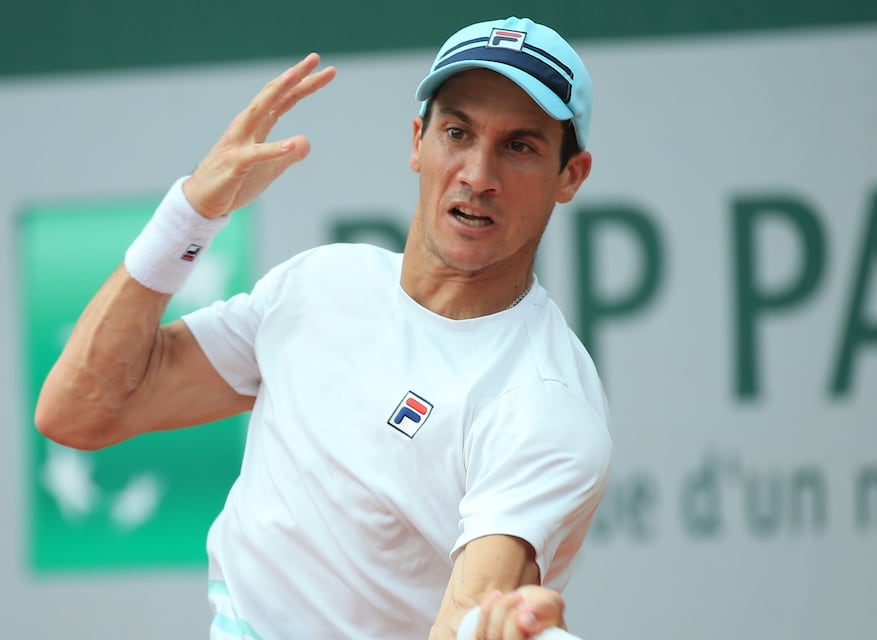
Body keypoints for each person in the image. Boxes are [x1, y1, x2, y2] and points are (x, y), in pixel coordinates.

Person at [35, 16, 611, 640]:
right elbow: (78, 410)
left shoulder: (544, 405)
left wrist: (488, 628)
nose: (477, 173)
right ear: (418, 141)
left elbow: (467, 616)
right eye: (457, 132)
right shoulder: (322, 283)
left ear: (570, 176)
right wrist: (190, 216)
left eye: (519, 146)